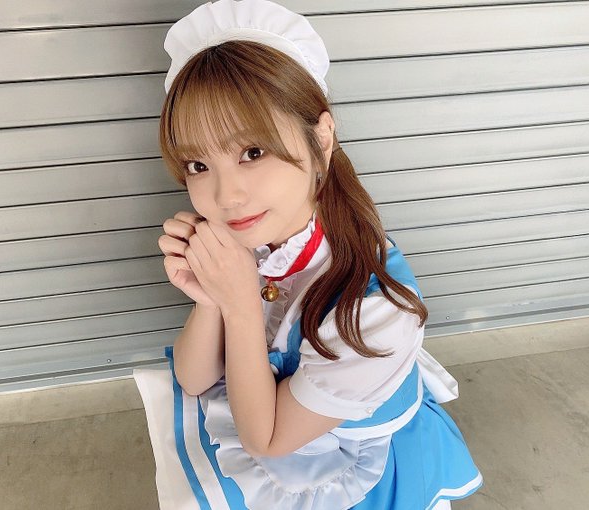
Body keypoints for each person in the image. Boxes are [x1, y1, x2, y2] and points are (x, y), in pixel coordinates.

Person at [133, 1, 483, 509]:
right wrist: (210, 297)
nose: (226, 197)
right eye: (197, 164)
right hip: (279, 424)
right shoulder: (257, 237)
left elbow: (266, 440)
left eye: (252, 152)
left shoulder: (376, 311)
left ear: (321, 139)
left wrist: (240, 304)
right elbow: (194, 379)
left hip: (357, 467)